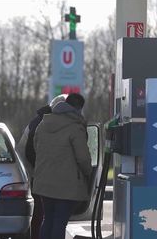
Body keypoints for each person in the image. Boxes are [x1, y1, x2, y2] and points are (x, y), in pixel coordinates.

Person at [32, 93, 92, 239]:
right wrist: (88, 173)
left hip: (44, 182)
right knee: (59, 222)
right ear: (78, 108)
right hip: (67, 185)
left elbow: (35, 147)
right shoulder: (75, 127)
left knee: (48, 219)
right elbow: (83, 158)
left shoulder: (43, 123)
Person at [16, 94, 68, 239]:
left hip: (33, 172)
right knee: (42, 213)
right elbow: (30, 152)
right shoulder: (45, 123)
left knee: (41, 212)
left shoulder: (39, 121)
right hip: (35, 173)